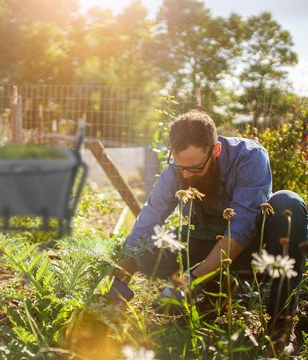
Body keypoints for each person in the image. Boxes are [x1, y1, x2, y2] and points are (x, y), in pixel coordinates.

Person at [106, 109, 308, 354]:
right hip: (204, 244)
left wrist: (190, 281)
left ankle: (281, 326)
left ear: (216, 150)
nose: (187, 174)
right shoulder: (177, 169)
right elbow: (147, 222)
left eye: (195, 167)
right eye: (182, 167)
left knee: (289, 204)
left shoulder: (250, 157)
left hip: (253, 250)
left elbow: (241, 229)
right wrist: (118, 282)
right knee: (147, 252)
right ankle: (220, 289)